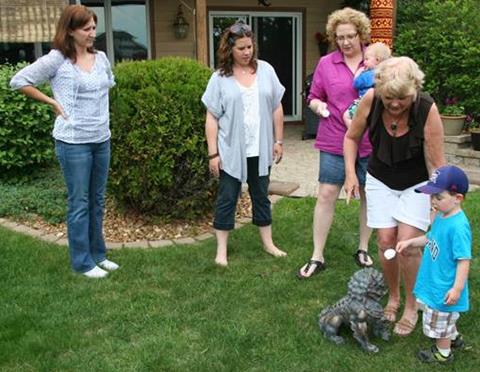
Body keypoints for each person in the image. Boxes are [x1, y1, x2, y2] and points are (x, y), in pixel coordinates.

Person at [10, 5, 118, 278]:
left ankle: (98, 255)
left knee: (97, 200)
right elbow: (19, 80)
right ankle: (82, 262)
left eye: (94, 28)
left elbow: (109, 85)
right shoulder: (57, 59)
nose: (93, 33)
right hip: (73, 143)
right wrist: (50, 101)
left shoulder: (102, 58)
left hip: (101, 140)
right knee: (79, 202)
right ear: (70, 30)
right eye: (87, 29)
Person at [343, 56, 445, 335]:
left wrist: (437, 204)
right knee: (386, 240)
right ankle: (394, 297)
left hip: (416, 182)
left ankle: (412, 305)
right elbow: (351, 138)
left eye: (402, 98)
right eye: (390, 97)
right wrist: (351, 174)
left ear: (414, 91)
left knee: (409, 244)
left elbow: (437, 164)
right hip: (380, 178)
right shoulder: (371, 100)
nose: (396, 104)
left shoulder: (426, 108)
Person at [297, 7, 373, 279]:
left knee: (368, 194)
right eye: (339, 37)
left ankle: (363, 248)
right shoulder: (326, 63)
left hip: (369, 142)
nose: (345, 42)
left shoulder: (374, 61)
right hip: (333, 139)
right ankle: (317, 255)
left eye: (350, 36)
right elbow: (314, 97)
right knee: (327, 194)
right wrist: (320, 108)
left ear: (361, 34)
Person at [202, 21, 287, 266]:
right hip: (230, 151)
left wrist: (278, 140)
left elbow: (277, 106)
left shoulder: (266, 70)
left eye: (249, 46)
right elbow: (212, 117)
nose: (247, 52)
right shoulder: (219, 78)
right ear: (230, 49)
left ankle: (269, 244)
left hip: (259, 149)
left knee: (261, 195)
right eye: (241, 48)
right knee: (227, 198)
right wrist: (213, 154)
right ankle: (221, 251)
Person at [396, 165, 471, 363]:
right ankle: (453, 338)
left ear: (458, 198)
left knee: (439, 320)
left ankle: (443, 353)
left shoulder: (458, 227)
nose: (433, 201)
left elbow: (464, 260)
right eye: (431, 197)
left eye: (438, 197)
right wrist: (411, 242)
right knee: (443, 318)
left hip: (445, 286)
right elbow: (431, 238)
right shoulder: (442, 216)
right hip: (435, 280)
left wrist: (456, 288)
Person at [343, 42, 391, 128]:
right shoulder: (386, 74)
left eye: (367, 59)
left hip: (364, 102)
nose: (364, 62)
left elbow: (356, 84)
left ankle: (353, 133)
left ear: (377, 60)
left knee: (346, 116)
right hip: (380, 103)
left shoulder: (368, 74)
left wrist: (358, 74)